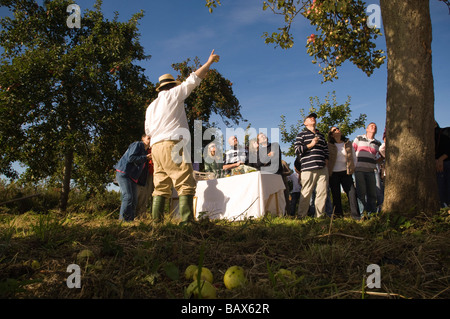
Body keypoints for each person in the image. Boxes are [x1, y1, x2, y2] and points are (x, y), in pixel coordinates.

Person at [145, 49, 220, 224]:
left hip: (156, 147)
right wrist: (208, 63)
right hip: (173, 142)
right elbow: (193, 79)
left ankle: (156, 224)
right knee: (185, 181)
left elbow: (148, 132)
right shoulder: (173, 94)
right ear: (172, 86)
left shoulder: (150, 107)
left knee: (160, 185)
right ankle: (187, 223)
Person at [294, 113, 329, 218]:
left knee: (322, 193)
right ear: (305, 123)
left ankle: (319, 216)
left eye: (314, 117)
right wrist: (311, 144)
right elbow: (297, 150)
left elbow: (326, 151)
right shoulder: (301, 134)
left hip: (322, 168)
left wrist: (326, 162)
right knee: (306, 193)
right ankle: (301, 216)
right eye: (310, 118)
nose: (313, 118)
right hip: (308, 168)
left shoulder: (321, 135)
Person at [114, 134, 152, 222]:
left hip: (133, 177)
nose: (150, 140)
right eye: (148, 138)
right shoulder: (138, 144)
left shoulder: (146, 151)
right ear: (143, 139)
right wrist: (145, 157)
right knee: (128, 196)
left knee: (134, 200)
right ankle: (123, 221)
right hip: (124, 173)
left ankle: (130, 221)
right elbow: (131, 158)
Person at [327, 126, 360, 219]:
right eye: (334, 130)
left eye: (338, 128)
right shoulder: (329, 145)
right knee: (336, 194)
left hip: (346, 172)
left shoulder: (348, 143)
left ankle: (355, 216)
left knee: (352, 193)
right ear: (331, 135)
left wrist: (353, 168)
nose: (337, 130)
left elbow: (354, 157)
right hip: (333, 173)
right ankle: (338, 216)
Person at [353, 122, 382, 215]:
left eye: (375, 126)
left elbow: (379, 157)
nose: (374, 127)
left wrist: (377, 161)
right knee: (361, 193)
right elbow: (352, 151)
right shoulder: (359, 138)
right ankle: (362, 214)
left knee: (372, 194)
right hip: (359, 170)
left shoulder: (377, 143)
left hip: (371, 171)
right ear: (367, 129)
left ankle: (372, 213)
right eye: (371, 126)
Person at [136, 141, 154, 218]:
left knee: (155, 195)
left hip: (157, 173)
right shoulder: (144, 149)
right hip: (147, 174)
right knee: (144, 194)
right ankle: (140, 214)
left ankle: (155, 215)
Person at [435, 122, 450, 208]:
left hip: (447, 163)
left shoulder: (447, 131)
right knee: (441, 191)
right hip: (437, 165)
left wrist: (441, 159)